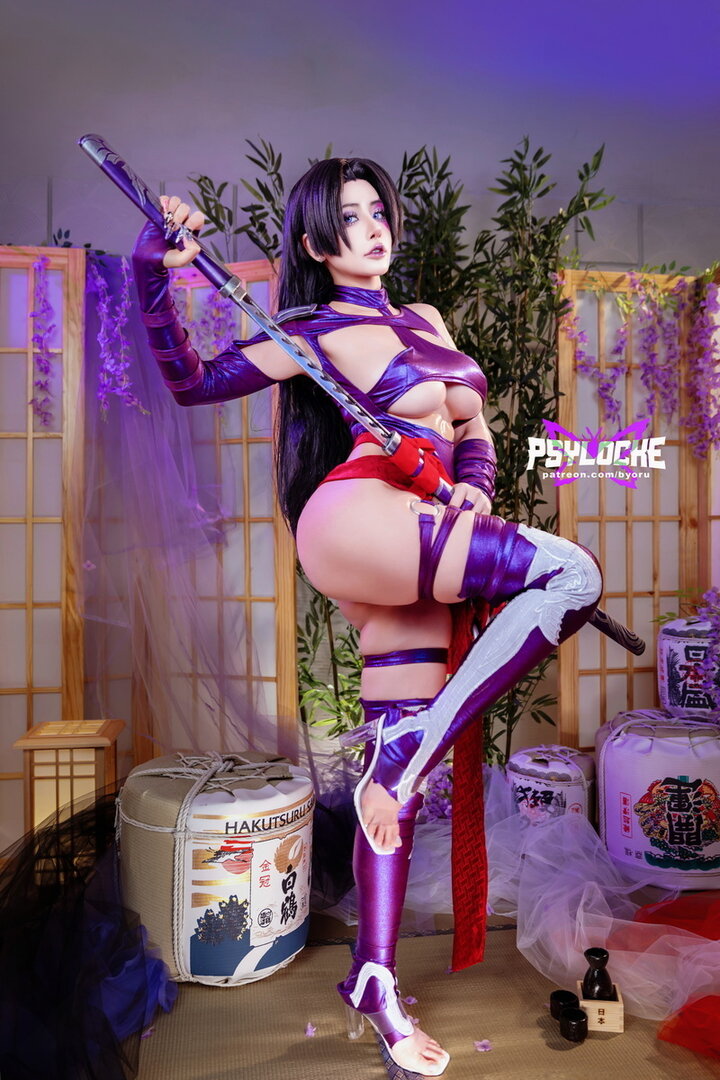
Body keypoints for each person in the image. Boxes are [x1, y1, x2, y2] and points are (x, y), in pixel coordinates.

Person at [132, 157, 602, 1076]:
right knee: (570, 574)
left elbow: (471, 427)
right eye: (349, 217)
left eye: (378, 210)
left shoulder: (423, 318)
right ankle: (416, 745)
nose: (373, 226)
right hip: (361, 515)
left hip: (424, 525)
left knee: (397, 786)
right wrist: (156, 270)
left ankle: (375, 980)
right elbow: (191, 380)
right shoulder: (308, 329)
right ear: (316, 243)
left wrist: (475, 487)